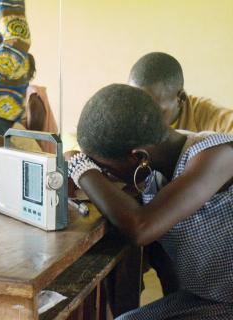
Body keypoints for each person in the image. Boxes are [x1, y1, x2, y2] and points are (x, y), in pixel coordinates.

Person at [69, 84, 233, 319]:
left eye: (105, 169)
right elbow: (167, 269)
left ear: (138, 157)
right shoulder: (155, 177)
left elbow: (141, 227)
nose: (107, 177)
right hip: (212, 300)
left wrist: (80, 168)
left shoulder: (216, 155)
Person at [129, 52, 233, 132]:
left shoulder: (217, 121)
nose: (143, 120)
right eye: (136, 108)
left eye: (154, 112)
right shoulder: (120, 116)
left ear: (181, 99)